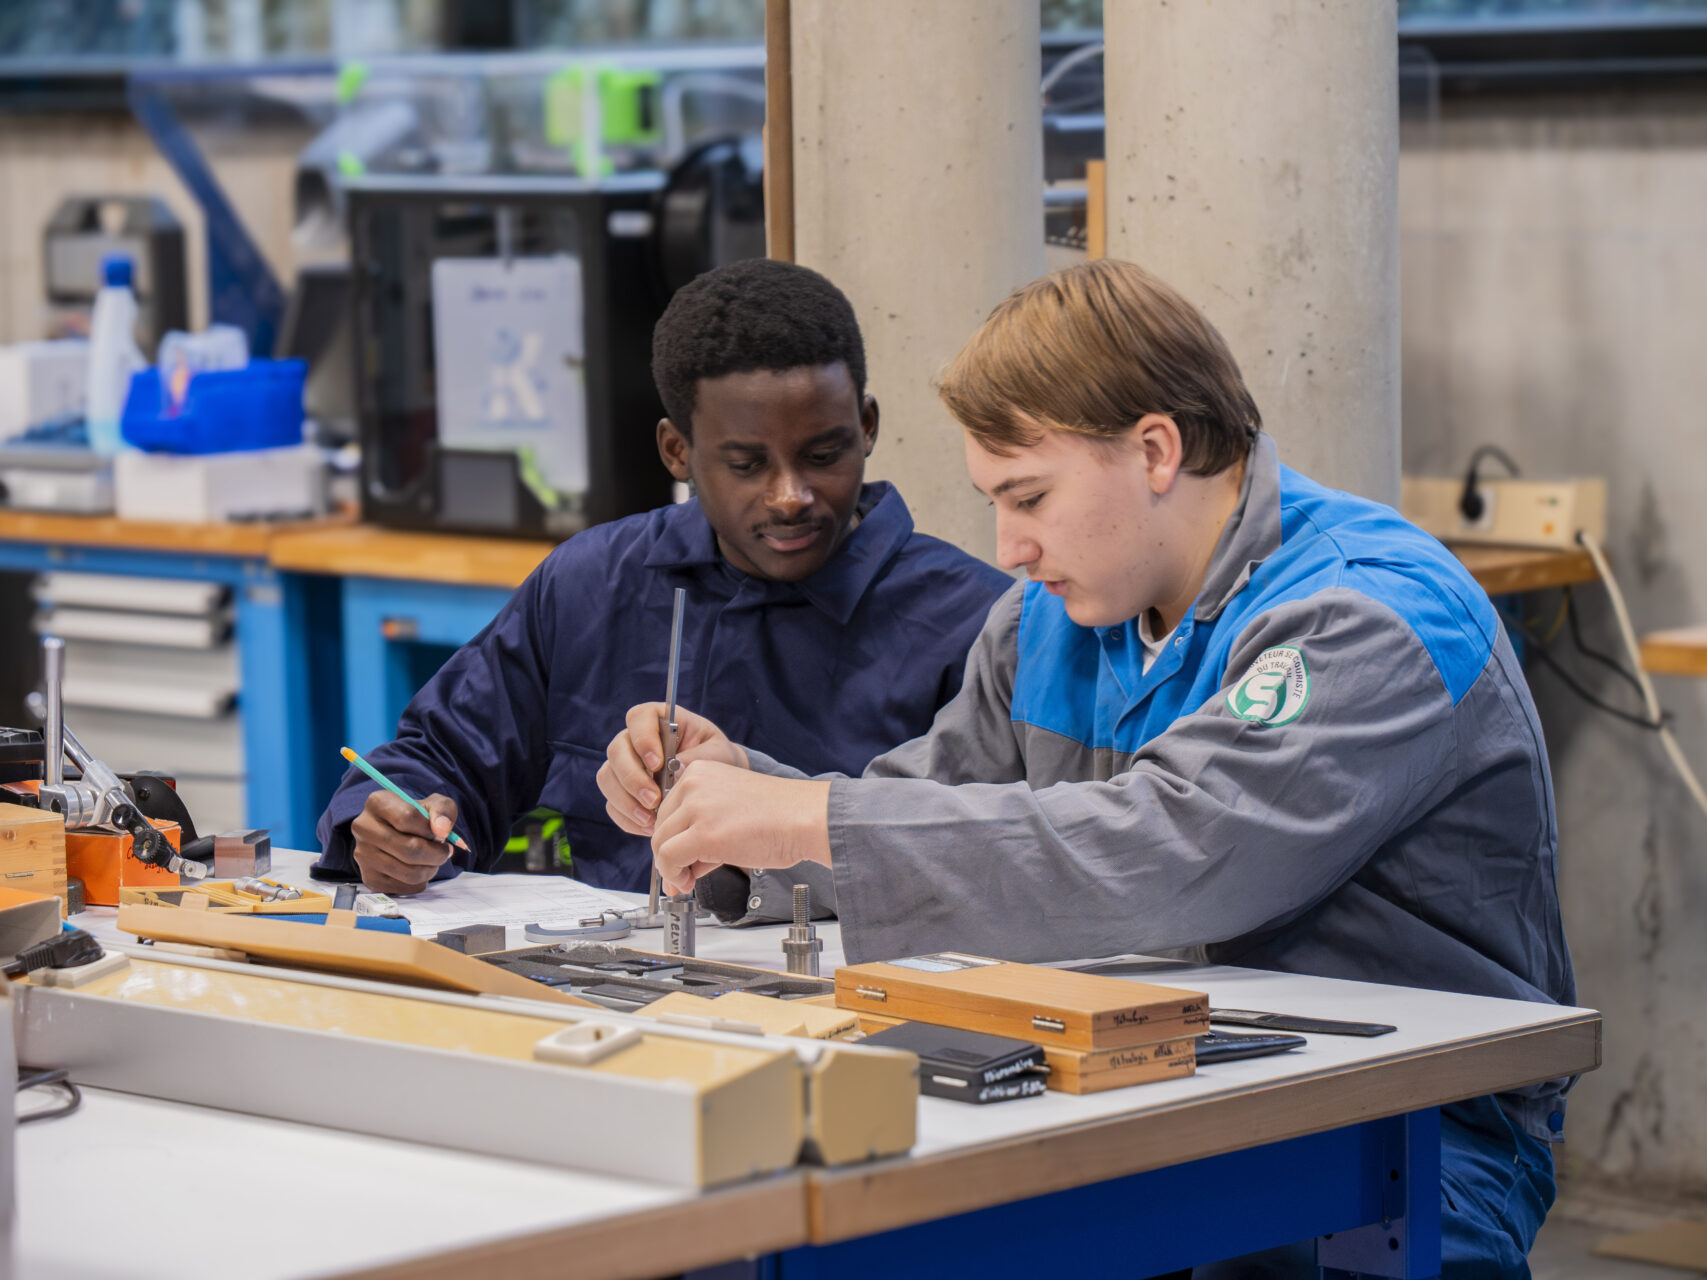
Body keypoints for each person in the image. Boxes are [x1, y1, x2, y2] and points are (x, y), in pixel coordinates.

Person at [598, 259, 1575, 1277]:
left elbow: (1175, 854)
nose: (1008, 546)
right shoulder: (1050, 623)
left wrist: (804, 814)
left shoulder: (1370, 614)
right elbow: (925, 822)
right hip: (1148, 1084)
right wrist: (738, 811)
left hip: (1405, 1130)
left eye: (1029, 496)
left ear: (1155, 449)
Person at [316, 257, 1011, 900]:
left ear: (865, 428)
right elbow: (443, 756)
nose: (789, 495)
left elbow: (991, 858)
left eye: (822, 454)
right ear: (677, 450)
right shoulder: (591, 584)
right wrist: (390, 827)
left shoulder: (975, 624)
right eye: (745, 464)